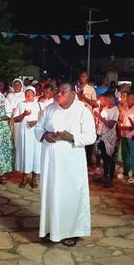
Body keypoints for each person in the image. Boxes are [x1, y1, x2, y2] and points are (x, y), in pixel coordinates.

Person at [34, 81, 96, 246]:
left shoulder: (82, 111)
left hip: (72, 163)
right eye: (57, 91)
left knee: (70, 194)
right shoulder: (49, 109)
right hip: (51, 161)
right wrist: (45, 134)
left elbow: (91, 136)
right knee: (52, 192)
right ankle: (52, 228)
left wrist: (72, 137)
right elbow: (38, 128)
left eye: (63, 91)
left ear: (73, 94)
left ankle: (71, 230)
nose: (58, 94)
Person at [13, 86, 42, 188]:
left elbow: (44, 120)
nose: (28, 96)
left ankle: (34, 178)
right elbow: (15, 119)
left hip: (35, 134)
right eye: (26, 94)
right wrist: (24, 114)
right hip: (24, 134)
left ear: (34, 94)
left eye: (30, 94)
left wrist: (36, 122)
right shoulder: (21, 104)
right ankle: (24, 177)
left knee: (36, 155)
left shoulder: (39, 105)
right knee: (25, 153)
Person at [94, 92, 119, 188]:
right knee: (104, 157)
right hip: (102, 136)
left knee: (110, 158)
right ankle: (105, 176)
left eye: (105, 100)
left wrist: (100, 117)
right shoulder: (105, 109)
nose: (104, 102)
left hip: (109, 137)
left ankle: (110, 178)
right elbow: (102, 122)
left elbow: (110, 125)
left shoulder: (115, 110)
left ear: (110, 100)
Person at [75, 71, 98, 166]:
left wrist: (85, 98)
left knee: (88, 138)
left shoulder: (91, 89)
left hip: (87, 116)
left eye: (84, 76)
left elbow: (95, 103)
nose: (82, 78)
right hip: (76, 116)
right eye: (81, 76)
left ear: (87, 78)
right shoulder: (75, 88)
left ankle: (88, 161)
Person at [119, 92, 134, 185]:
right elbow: (121, 120)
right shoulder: (125, 109)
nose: (129, 101)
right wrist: (121, 126)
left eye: (131, 99)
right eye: (128, 99)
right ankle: (126, 171)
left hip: (131, 135)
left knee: (133, 155)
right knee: (125, 154)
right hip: (124, 135)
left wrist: (128, 128)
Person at [7, 78, 25, 147]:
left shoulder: (24, 95)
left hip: (20, 119)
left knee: (18, 137)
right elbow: (6, 106)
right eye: (15, 85)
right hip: (10, 118)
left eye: (18, 85)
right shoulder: (9, 95)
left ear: (21, 86)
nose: (16, 87)